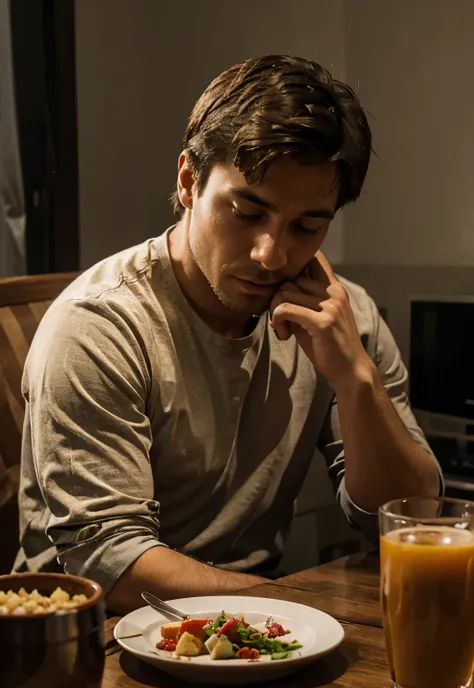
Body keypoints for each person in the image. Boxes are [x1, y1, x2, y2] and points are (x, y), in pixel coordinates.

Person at [14, 55, 441, 613]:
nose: (272, 255)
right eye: (246, 212)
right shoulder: (99, 326)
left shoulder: (344, 317)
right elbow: (110, 563)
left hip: (255, 624)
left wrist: (356, 376)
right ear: (189, 182)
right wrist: (292, 608)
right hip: (88, 643)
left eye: (307, 226)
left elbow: (410, 516)